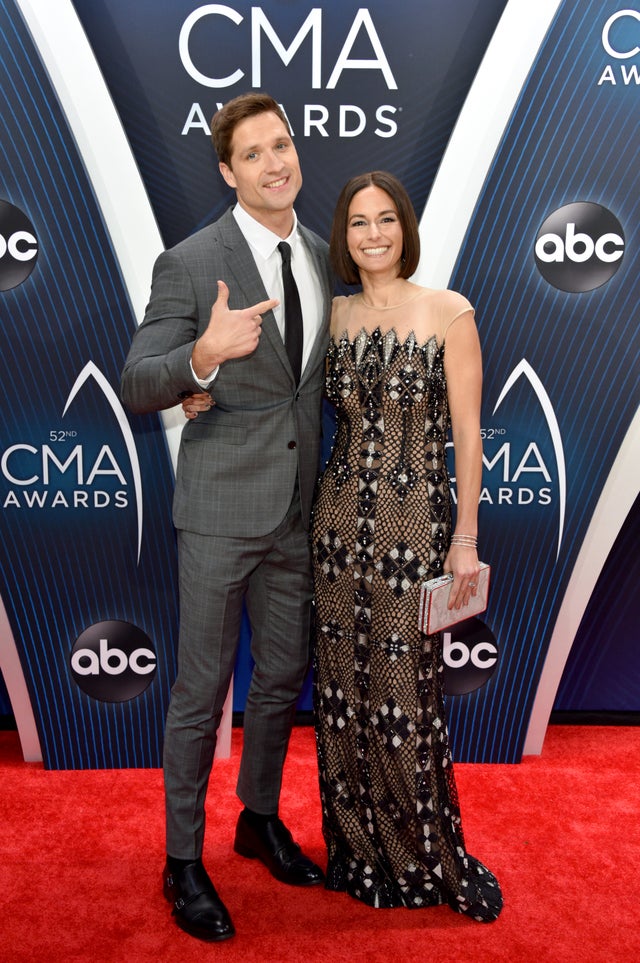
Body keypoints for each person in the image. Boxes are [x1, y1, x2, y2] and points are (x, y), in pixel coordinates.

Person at [120, 92, 333, 943]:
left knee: (281, 678)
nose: (275, 163)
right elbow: (140, 382)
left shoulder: (322, 253)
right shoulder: (190, 258)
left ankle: (256, 817)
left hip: (296, 514)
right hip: (215, 515)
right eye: (253, 154)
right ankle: (182, 859)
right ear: (226, 171)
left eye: (282, 145)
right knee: (201, 693)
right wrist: (202, 354)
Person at [310, 170, 503, 921]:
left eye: (385, 219)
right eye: (358, 223)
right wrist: (200, 389)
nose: (373, 235)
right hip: (335, 528)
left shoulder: (450, 311)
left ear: (405, 226)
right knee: (340, 695)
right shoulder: (333, 315)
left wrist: (465, 537)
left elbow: (467, 432)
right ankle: (358, 849)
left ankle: (422, 852)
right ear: (344, 236)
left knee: (403, 696)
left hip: (414, 524)